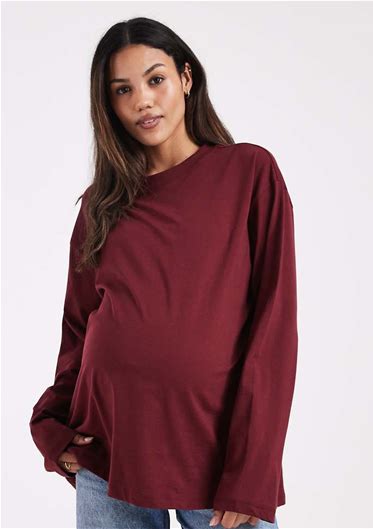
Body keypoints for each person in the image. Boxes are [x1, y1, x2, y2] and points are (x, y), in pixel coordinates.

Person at [29, 16, 298, 529]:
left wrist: (252, 472)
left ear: (186, 78)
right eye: (123, 90)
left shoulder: (248, 173)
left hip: (215, 459)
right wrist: (51, 425)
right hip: (106, 451)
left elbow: (274, 329)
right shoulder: (100, 204)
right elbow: (79, 330)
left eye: (156, 79)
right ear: (108, 104)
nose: (143, 101)